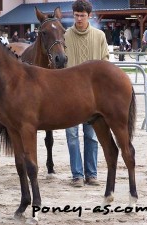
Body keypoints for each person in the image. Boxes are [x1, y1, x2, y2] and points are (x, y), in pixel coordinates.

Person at [64, 0, 109, 187]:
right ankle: (77, 175)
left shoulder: (99, 36)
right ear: (73, 15)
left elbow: (105, 63)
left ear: (89, 16)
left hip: (92, 97)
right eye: (76, 15)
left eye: (83, 15)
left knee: (91, 136)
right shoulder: (65, 35)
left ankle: (91, 174)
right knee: (72, 136)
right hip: (68, 95)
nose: (79, 18)